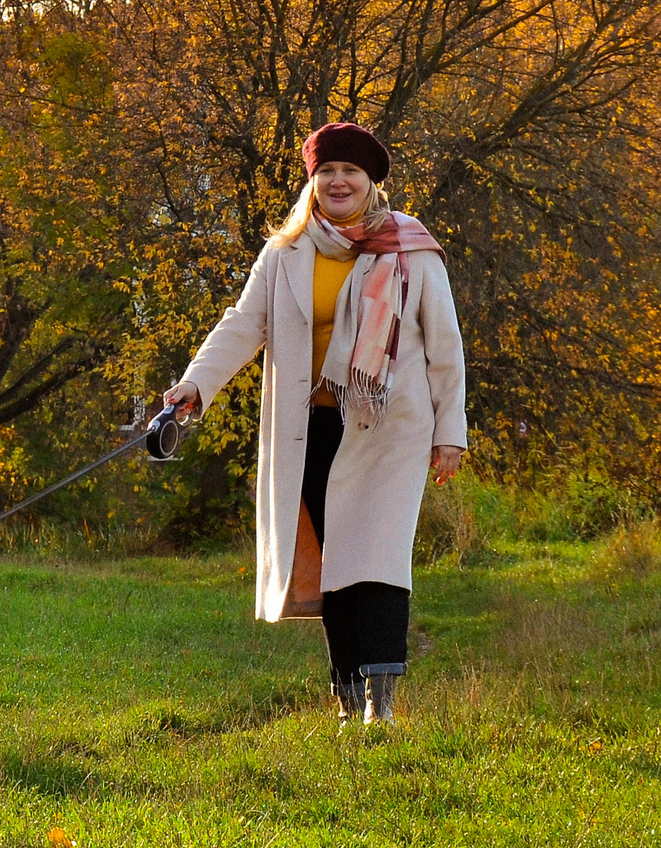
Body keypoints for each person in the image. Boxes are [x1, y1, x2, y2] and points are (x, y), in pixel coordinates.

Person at [163, 122, 467, 726]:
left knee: (376, 559)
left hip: (391, 428)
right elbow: (242, 324)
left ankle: (380, 708)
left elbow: (445, 345)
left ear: (371, 183)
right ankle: (346, 696)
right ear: (313, 180)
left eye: (351, 171)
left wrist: (449, 432)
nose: (338, 181)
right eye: (327, 171)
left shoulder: (410, 249)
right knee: (335, 565)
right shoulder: (286, 253)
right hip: (313, 430)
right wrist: (195, 384)